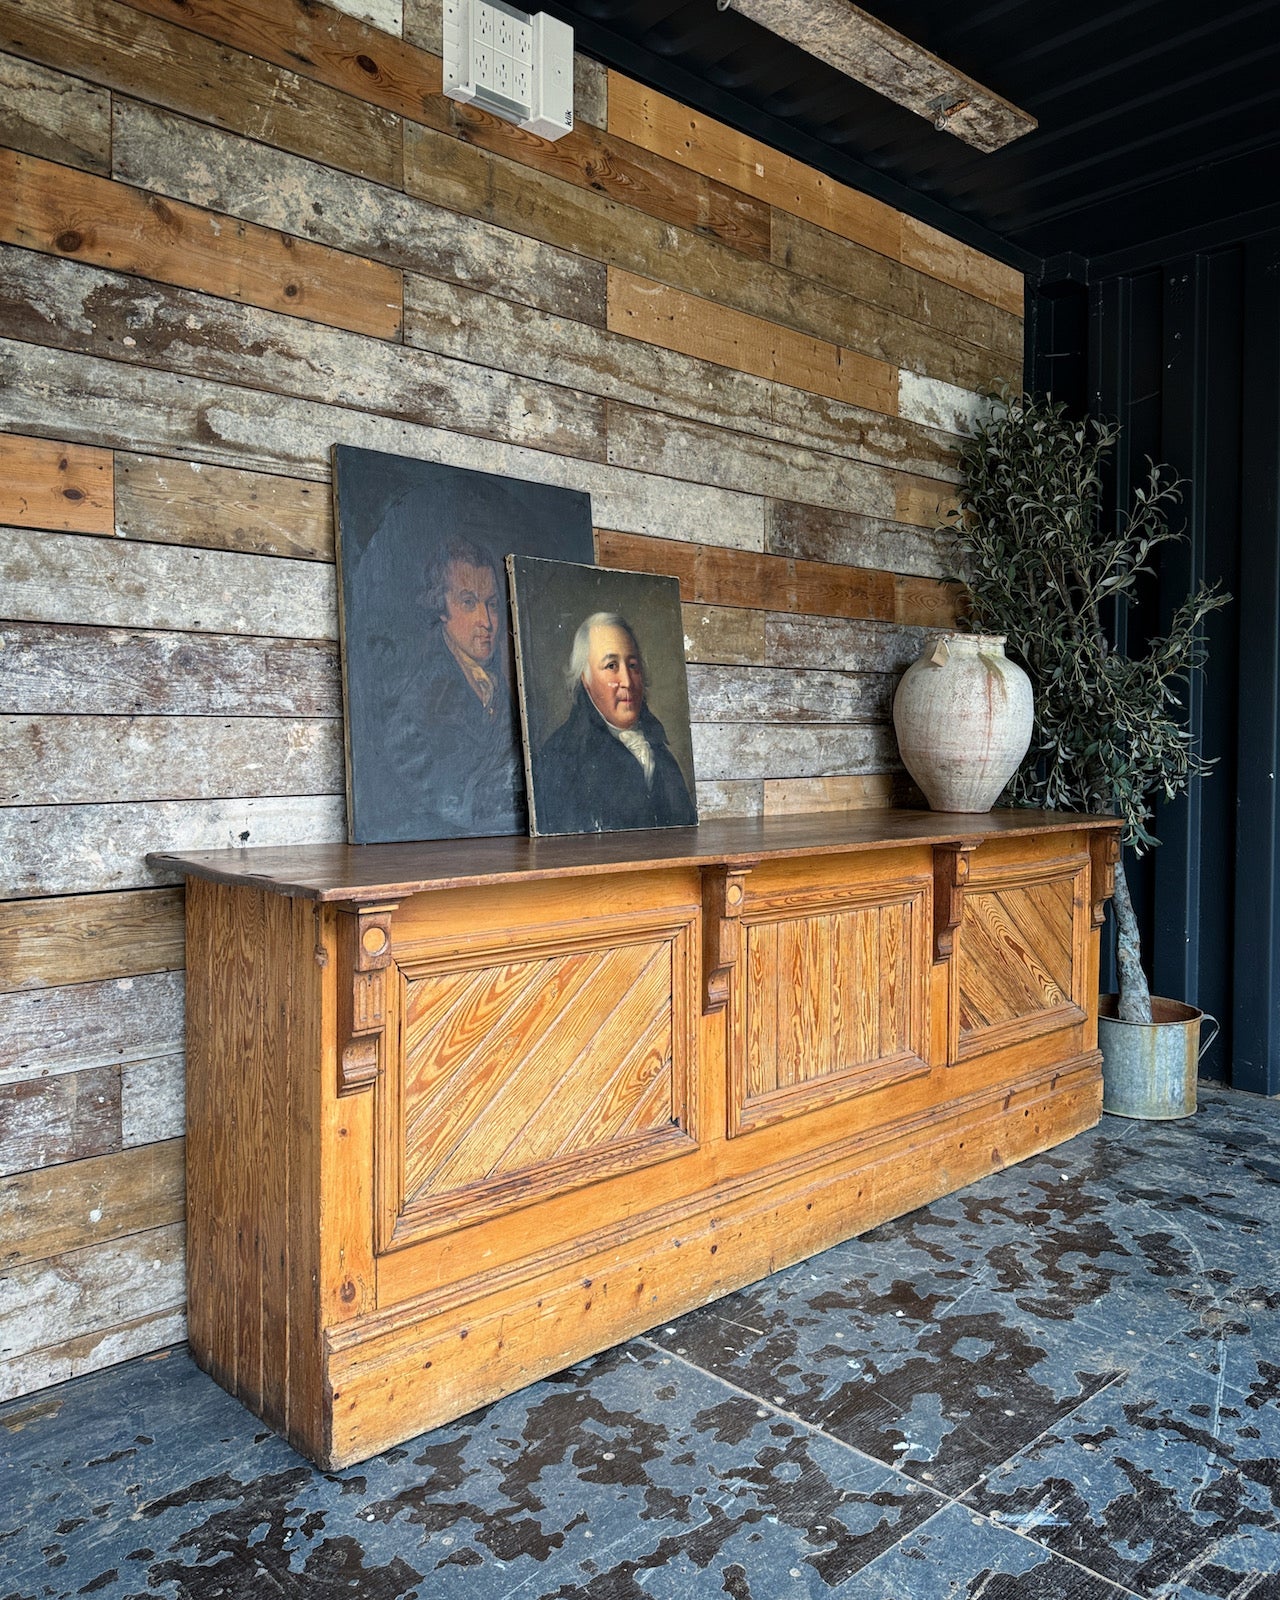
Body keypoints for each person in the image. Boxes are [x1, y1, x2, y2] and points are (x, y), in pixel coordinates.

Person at [390, 537, 523, 837]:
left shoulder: (505, 686)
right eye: (468, 602)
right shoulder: (416, 705)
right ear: (441, 606)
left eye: (491, 604)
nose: (486, 621)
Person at [535, 612, 697, 835]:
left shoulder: (659, 751)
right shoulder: (561, 758)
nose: (627, 682)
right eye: (611, 666)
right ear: (585, 678)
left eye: (632, 665)